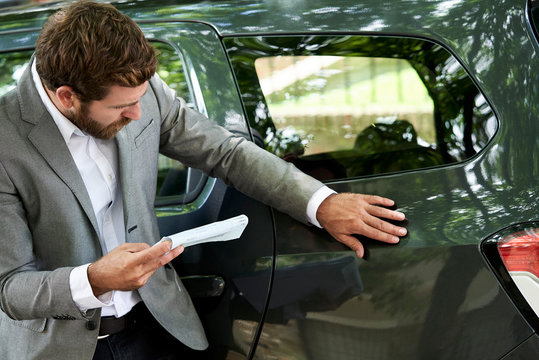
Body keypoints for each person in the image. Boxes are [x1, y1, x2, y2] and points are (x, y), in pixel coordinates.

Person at [0, 1, 407, 359]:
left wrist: (320, 202)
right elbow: (9, 287)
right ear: (67, 96)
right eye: (122, 108)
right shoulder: (6, 140)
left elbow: (224, 151)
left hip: (161, 327)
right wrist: (94, 280)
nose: (138, 116)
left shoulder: (140, 91)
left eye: (141, 100)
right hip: (61, 349)